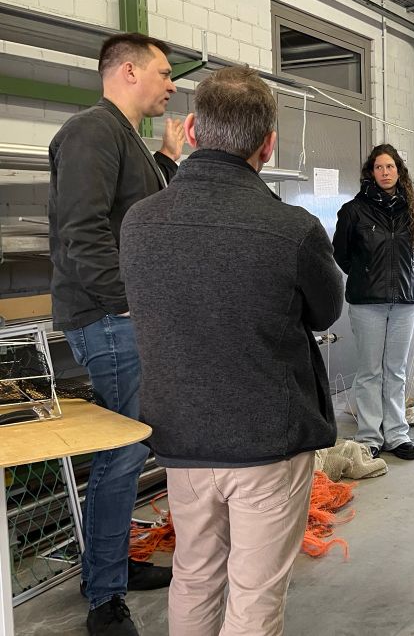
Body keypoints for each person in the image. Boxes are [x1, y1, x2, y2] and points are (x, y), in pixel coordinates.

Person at [119, 66, 344, 635]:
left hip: (184, 440)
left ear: (191, 130)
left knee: (194, 576)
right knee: (256, 595)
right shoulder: (292, 228)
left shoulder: (140, 223)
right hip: (267, 439)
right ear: (269, 145)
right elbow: (327, 311)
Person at [48, 32, 181, 636]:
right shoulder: (92, 132)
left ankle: (113, 567)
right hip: (108, 320)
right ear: (128, 72)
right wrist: (130, 308)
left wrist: (168, 161)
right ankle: (104, 596)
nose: (171, 83)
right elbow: (83, 233)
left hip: (120, 317)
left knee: (128, 451)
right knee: (121, 455)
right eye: (163, 72)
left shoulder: (123, 138)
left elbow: (144, 220)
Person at [333, 144, 414, 461]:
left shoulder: (412, 209)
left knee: (396, 370)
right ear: (370, 172)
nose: (385, 173)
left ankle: (397, 435)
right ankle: (370, 437)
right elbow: (341, 255)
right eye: (379, 167)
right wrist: (365, 275)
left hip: (405, 301)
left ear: (398, 171)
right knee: (370, 371)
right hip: (367, 303)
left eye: (390, 167)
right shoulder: (353, 211)